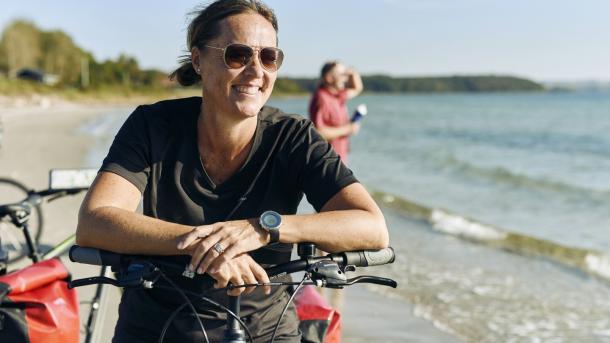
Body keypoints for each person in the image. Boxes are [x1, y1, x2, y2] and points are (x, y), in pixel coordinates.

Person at [76, 1, 388, 342]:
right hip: (157, 328)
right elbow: (94, 220)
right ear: (198, 60)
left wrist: (264, 227)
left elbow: (371, 226)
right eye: (237, 55)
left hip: (266, 331)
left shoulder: (294, 137)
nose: (257, 72)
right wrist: (205, 246)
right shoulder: (153, 125)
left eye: (269, 57)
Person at [308, 61, 363, 164]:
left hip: (340, 157)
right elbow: (319, 132)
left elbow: (357, 88)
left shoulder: (338, 95)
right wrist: (349, 129)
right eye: (342, 75)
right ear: (329, 78)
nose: (345, 78)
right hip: (326, 160)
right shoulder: (321, 98)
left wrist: (353, 73)